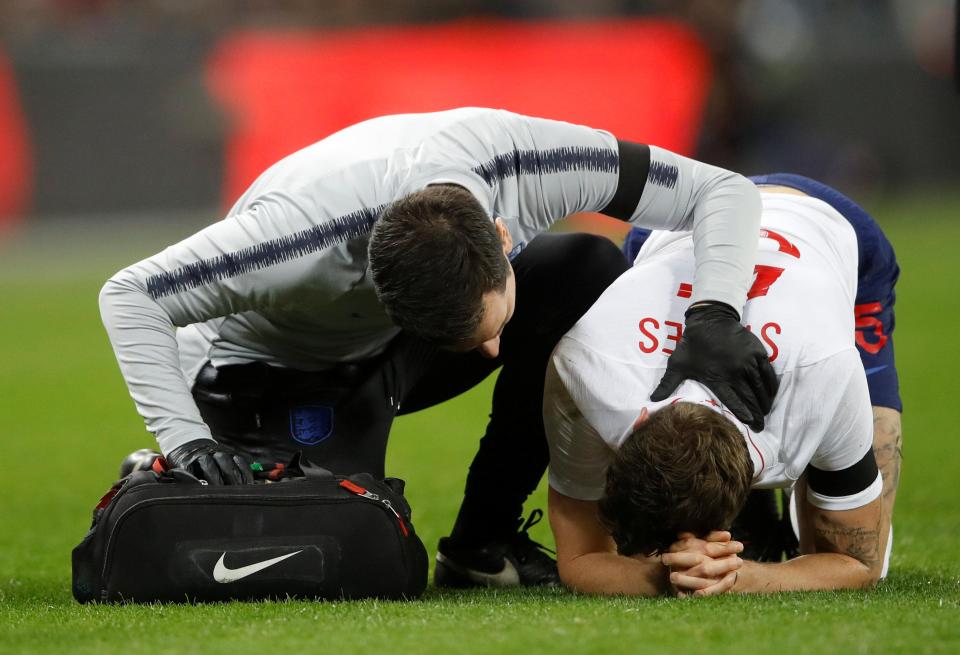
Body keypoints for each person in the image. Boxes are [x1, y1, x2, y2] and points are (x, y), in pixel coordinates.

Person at [99, 108, 776, 588]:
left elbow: (720, 189)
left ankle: (485, 541)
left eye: (493, 320)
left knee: (586, 266)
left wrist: (713, 314)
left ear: (504, 238)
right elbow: (131, 294)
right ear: (381, 291)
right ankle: (183, 465)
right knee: (346, 545)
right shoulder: (292, 240)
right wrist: (185, 439)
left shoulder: (524, 162)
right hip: (272, 369)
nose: (491, 351)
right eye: (467, 335)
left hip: (392, 346)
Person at [545, 174, 901, 595]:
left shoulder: (823, 373)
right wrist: (668, 573)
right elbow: (581, 558)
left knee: (850, 532)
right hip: (678, 226)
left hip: (829, 225)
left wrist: (744, 577)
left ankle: (781, 509)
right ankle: (756, 525)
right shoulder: (584, 366)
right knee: (643, 535)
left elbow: (860, 563)